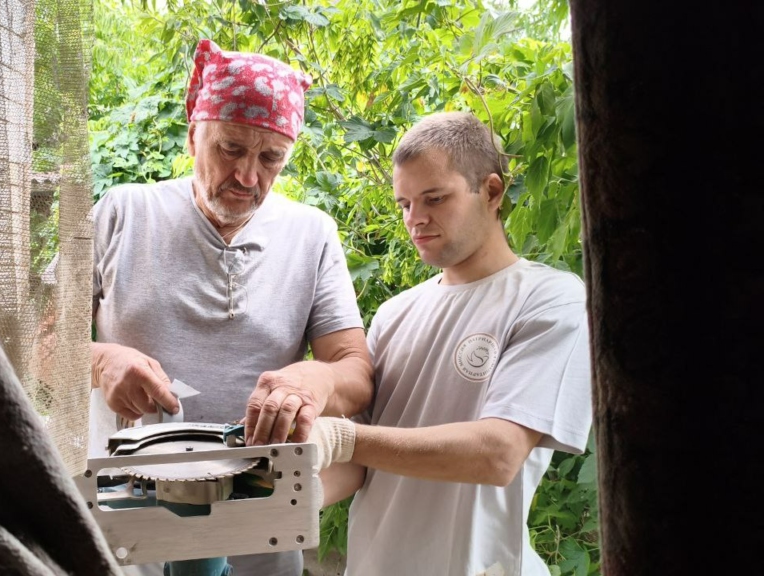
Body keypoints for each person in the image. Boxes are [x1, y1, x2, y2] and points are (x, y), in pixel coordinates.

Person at [89, 38, 373, 576]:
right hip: (127, 520)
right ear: (193, 133)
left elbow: (355, 372)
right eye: (230, 148)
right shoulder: (123, 212)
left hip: (259, 521)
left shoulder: (312, 235)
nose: (247, 176)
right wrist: (101, 360)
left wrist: (316, 380)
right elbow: (34, 340)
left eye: (270, 158)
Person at [307, 111, 593, 576]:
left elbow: (499, 454)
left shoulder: (550, 299)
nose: (415, 219)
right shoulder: (394, 314)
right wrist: (277, 489)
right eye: (404, 204)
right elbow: (359, 464)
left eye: (434, 199)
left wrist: (340, 437)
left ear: (492, 192)